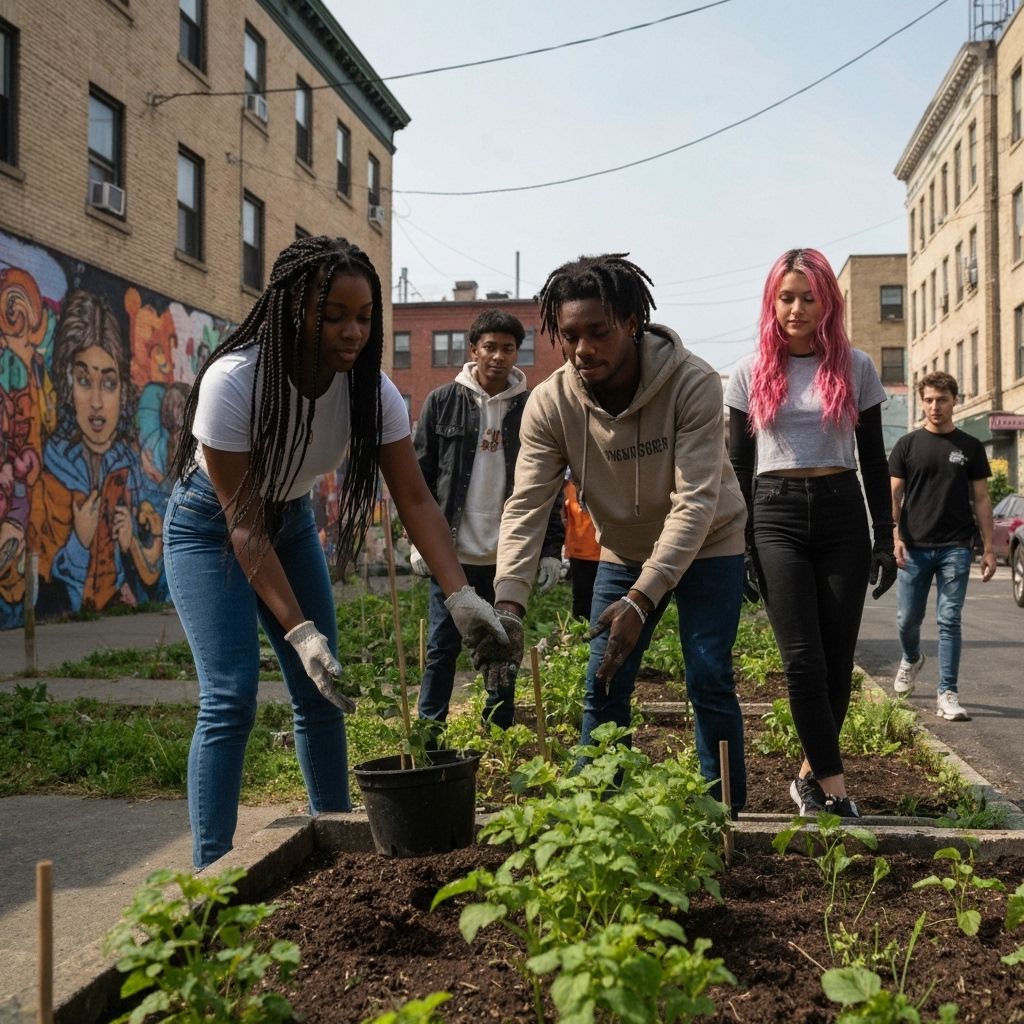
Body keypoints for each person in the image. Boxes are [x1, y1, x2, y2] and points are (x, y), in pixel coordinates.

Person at [163, 236, 507, 869]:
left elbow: (417, 501)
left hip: (287, 524)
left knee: (323, 692)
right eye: (335, 316)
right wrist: (298, 633)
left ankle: (335, 842)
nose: (354, 331)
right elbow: (244, 531)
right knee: (230, 696)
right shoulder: (235, 382)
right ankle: (212, 874)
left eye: (365, 317)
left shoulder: (372, 392)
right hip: (210, 528)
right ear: (297, 312)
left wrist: (462, 596)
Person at [479, 252, 749, 815]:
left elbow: (695, 501)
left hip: (709, 544)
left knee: (708, 677)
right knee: (604, 678)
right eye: (569, 336)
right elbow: (526, 505)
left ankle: (723, 819)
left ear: (631, 322)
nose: (583, 350)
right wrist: (508, 605)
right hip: (623, 550)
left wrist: (642, 598)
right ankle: (596, 816)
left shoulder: (692, 382)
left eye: (598, 332)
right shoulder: (551, 405)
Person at [725, 248, 897, 820]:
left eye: (808, 297)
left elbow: (873, 459)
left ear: (828, 301)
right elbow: (738, 466)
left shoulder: (857, 366)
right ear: (771, 303)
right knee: (802, 661)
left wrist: (883, 537)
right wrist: (744, 545)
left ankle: (808, 777)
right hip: (775, 516)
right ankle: (838, 792)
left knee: (836, 661)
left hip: (842, 511)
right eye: (785, 297)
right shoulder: (749, 372)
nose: (796, 308)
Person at [409, 309, 563, 730]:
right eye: (490, 347)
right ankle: (430, 733)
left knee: (503, 646)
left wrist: (550, 550)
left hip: (507, 557)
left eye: (508, 348)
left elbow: (549, 484)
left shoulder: (532, 408)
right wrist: (418, 542)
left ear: (518, 353)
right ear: (473, 349)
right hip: (452, 555)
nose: (498, 356)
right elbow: (418, 479)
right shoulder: (443, 401)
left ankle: (499, 731)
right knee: (442, 647)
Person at [889, 371, 995, 721]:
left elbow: (981, 499)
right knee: (908, 619)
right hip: (914, 546)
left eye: (943, 399)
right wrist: (895, 536)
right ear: (922, 402)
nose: (936, 406)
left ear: (955, 401)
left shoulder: (969, 447)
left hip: (956, 546)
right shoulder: (907, 445)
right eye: (930, 400)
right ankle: (911, 657)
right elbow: (894, 495)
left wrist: (989, 548)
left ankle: (947, 692)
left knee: (949, 619)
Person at [562, 468, 600, 620]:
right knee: (582, 600)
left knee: (602, 599)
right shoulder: (568, 480)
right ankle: (583, 638)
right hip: (580, 548)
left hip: (606, 549)